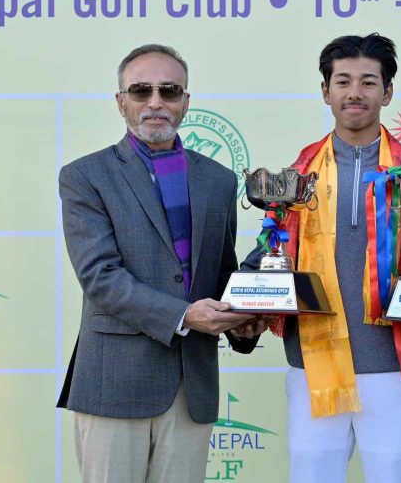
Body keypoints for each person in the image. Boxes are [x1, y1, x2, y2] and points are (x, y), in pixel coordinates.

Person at [237, 33, 401, 483]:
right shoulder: (301, 170)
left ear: (388, 92)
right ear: (325, 91)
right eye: (343, 81)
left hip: (391, 366)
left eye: (368, 82)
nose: (355, 93)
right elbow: (272, 247)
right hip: (312, 363)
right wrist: (238, 307)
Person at [57, 44, 260, 483]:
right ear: (121, 102)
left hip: (192, 386)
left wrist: (243, 322)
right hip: (114, 383)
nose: (155, 102)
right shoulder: (85, 176)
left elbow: (221, 273)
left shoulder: (219, 180)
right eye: (140, 91)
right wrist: (184, 316)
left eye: (169, 91)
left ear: (185, 101)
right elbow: (100, 277)